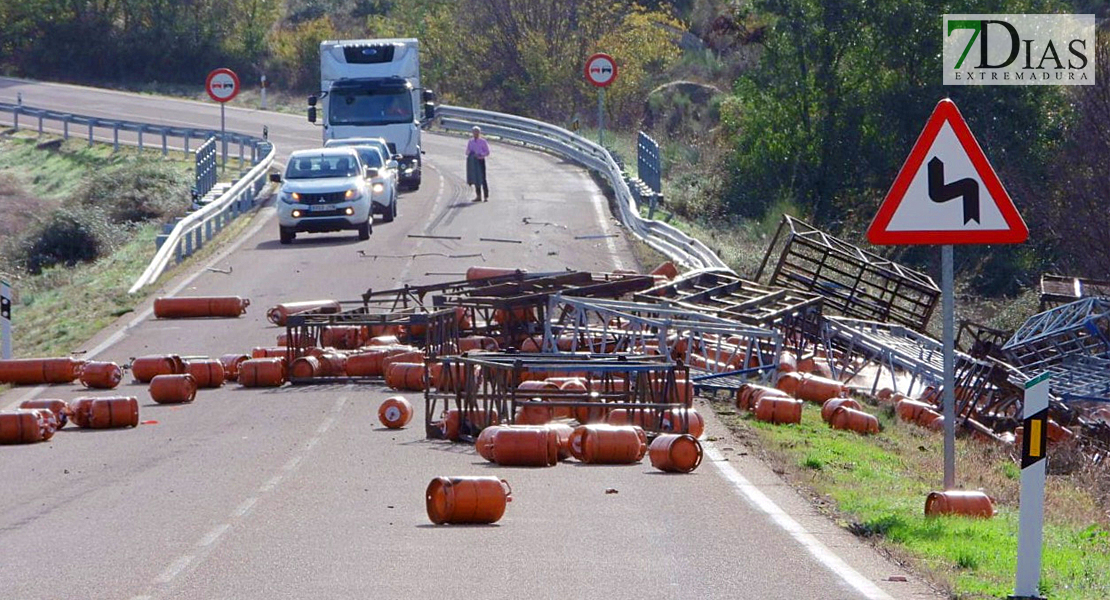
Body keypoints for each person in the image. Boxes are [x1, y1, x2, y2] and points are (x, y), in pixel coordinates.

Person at [465, 126, 490, 201]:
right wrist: (471, 153)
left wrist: (480, 154)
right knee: (476, 178)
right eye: (474, 132)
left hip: (480, 160)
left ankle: (485, 196)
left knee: (482, 178)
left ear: (479, 133)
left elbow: (487, 152)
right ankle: (478, 196)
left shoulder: (483, 141)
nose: (475, 134)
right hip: (473, 161)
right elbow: (467, 151)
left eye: (477, 132)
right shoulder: (471, 141)